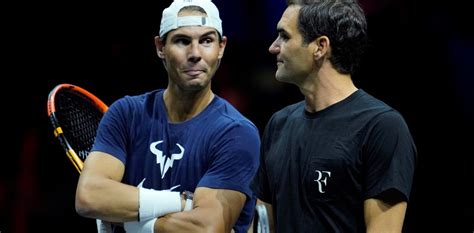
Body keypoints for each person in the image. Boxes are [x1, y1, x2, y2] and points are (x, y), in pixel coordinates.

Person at [75, 0, 260, 232]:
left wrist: (130, 222)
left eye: (206, 41)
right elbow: (89, 196)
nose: (195, 54)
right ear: (160, 47)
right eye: (182, 41)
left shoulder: (237, 133)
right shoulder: (125, 114)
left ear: (221, 47)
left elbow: (206, 228)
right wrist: (184, 203)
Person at [250, 0, 417, 232]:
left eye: (284, 36)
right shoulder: (279, 124)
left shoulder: (381, 126)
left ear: (320, 47)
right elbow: (262, 225)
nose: (273, 47)